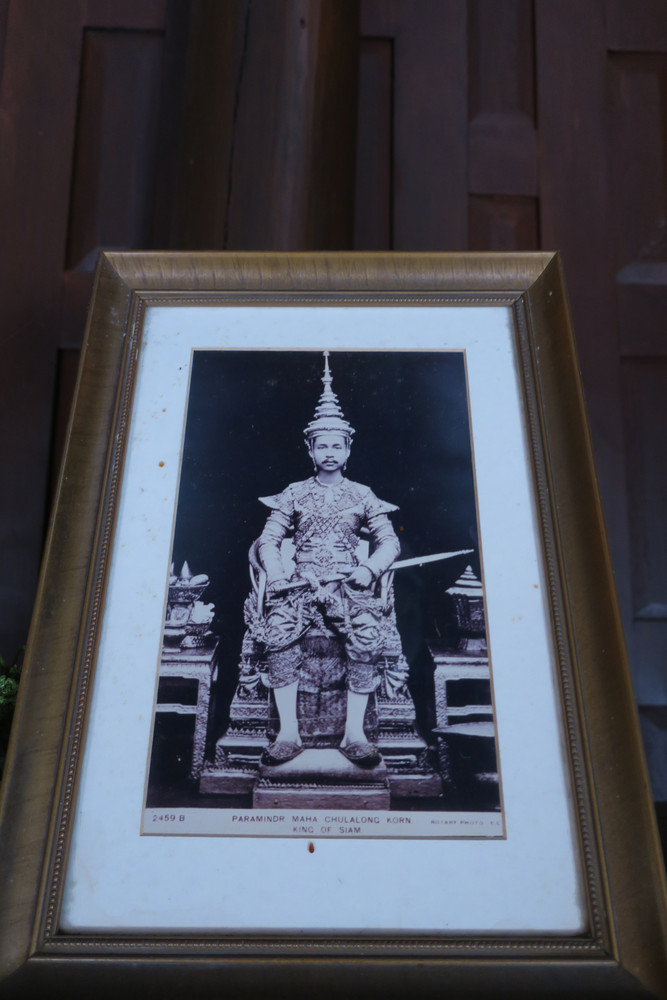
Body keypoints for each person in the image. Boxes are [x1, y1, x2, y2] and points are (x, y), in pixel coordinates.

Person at [249, 351, 408, 768]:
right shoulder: (294, 492)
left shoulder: (362, 494)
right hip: (299, 587)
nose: (330, 452)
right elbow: (269, 540)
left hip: (347, 587)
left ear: (349, 448)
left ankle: (355, 734)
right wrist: (278, 574)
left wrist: (368, 569)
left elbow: (389, 542)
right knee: (278, 633)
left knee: (367, 635)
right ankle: (288, 734)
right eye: (323, 445)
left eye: (338, 445)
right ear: (310, 449)